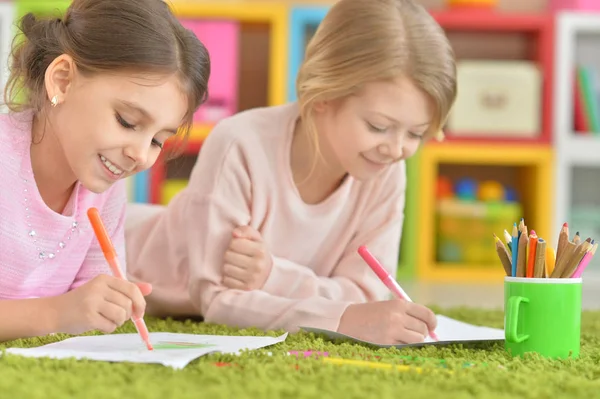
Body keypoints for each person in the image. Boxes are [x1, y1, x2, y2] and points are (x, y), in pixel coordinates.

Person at [126, 0, 456, 345]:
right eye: (378, 126)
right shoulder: (239, 144)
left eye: (416, 133)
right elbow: (219, 301)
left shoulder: (386, 167)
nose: (397, 148)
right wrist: (342, 318)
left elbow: (367, 295)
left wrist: (272, 275)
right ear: (324, 94)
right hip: (123, 255)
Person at [0, 0, 210, 342]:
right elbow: (67, 314)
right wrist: (60, 312)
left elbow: (87, 314)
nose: (140, 155)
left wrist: (106, 305)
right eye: (127, 121)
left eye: (158, 140)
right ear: (63, 81)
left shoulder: (104, 191)